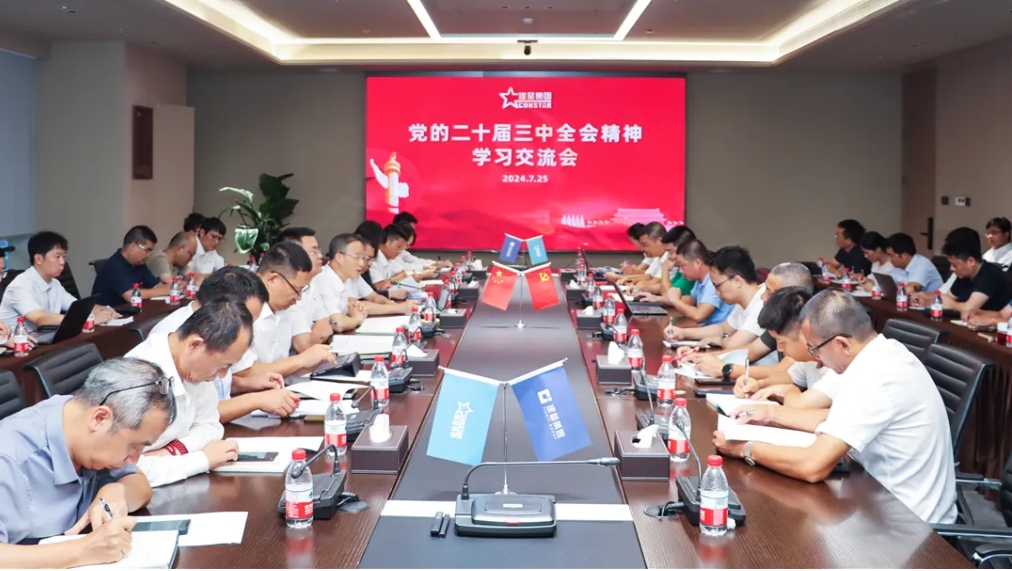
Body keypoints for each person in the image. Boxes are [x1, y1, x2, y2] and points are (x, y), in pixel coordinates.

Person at [713, 289, 957, 524]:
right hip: (879, 500)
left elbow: (812, 466)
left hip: (909, 525)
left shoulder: (876, 377)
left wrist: (744, 448)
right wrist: (772, 413)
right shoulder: (884, 353)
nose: (816, 359)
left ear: (842, 344)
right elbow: (839, 418)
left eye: (815, 349)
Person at [0, 358, 176, 566]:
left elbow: (140, 485)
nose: (134, 459)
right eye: (135, 446)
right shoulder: (10, 458)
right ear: (99, 418)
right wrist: (82, 551)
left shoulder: (78, 417)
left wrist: (115, 490)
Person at [127, 299, 253, 487]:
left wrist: (173, 451)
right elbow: (126, 471)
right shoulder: (136, 378)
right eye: (222, 365)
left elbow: (210, 425)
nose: (221, 375)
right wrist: (201, 459)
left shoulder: (194, 369)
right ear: (195, 345)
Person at [150, 267, 299, 424]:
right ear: (222, 308)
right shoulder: (178, 339)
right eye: (245, 320)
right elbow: (192, 415)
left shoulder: (212, 326)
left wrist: (245, 384)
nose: (248, 329)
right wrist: (257, 400)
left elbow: (211, 388)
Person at [684, 262, 813, 381]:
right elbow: (752, 350)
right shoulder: (780, 320)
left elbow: (782, 371)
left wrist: (725, 369)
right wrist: (704, 358)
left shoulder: (805, 327)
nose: (762, 296)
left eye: (770, 292)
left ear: (792, 296)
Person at [232, 242, 337, 381]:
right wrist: (301, 360)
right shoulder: (240, 308)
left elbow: (283, 366)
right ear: (273, 280)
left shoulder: (284, 307)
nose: (299, 298)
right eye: (297, 290)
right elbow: (241, 373)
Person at [665, 246, 778, 365]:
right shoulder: (743, 301)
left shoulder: (762, 303)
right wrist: (683, 333)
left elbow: (733, 345)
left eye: (717, 285)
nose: (716, 292)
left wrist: (721, 339)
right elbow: (723, 329)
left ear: (737, 281)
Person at [731, 287, 840, 406]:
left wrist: (789, 391)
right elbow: (791, 377)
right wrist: (759, 385)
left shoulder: (837, 366)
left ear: (804, 332)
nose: (779, 348)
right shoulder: (809, 359)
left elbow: (800, 406)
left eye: (781, 342)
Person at [0, 231, 117, 332]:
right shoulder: (20, 286)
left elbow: (77, 308)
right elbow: (40, 319)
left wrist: (104, 310)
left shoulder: (54, 283)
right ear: (38, 259)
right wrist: (89, 319)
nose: (62, 262)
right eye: (57, 256)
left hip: (43, 340)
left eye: (63, 256)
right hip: (18, 346)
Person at [318, 234, 413, 321]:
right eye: (358, 257)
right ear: (340, 258)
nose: (362, 263)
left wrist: (393, 304)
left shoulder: (352, 273)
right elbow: (355, 307)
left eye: (363, 258)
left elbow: (373, 296)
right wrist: (398, 308)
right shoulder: (326, 278)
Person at [277, 228, 334, 351]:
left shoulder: (312, 282)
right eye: (314, 252)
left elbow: (326, 325)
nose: (320, 256)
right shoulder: (288, 290)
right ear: (295, 256)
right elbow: (304, 346)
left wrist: (316, 333)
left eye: (319, 250)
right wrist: (318, 332)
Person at [90, 226, 171, 307]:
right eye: (147, 250)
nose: (148, 255)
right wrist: (164, 290)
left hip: (131, 310)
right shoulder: (114, 265)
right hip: (110, 312)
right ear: (133, 245)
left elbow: (155, 286)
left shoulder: (139, 265)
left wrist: (166, 288)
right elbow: (131, 296)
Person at [937, 227, 1012, 312]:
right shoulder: (964, 275)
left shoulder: (991, 275)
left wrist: (952, 305)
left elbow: (970, 308)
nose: (951, 268)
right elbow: (947, 299)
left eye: (955, 265)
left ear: (971, 261)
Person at [660, 239, 732, 326]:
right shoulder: (699, 279)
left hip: (718, 331)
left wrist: (676, 301)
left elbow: (699, 316)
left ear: (697, 263)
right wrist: (658, 299)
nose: (681, 271)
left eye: (682, 265)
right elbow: (692, 300)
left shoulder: (713, 281)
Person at [940, 217, 1012, 294]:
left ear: (1006, 234)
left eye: (994, 233)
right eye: (988, 233)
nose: (990, 236)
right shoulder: (987, 254)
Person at [635, 226, 695, 303]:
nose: (668, 257)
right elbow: (667, 286)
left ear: (684, 250)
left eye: (671, 252)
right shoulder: (681, 268)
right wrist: (642, 288)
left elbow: (668, 295)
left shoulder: (690, 271)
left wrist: (665, 268)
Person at [620, 222, 667, 289]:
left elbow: (656, 281)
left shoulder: (669, 256)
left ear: (659, 241)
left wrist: (639, 285)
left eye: (646, 245)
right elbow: (649, 276)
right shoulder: (659, 256)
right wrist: (630, 279)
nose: (645, 249)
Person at [369, 224, 415, 290]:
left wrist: (389, 281)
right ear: (387, 241)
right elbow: (379, 286)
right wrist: (394, 280)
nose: (400, 251)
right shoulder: (373, 258)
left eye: (402, 248)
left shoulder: (390, 258)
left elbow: (403, 274)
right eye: (398, 246)